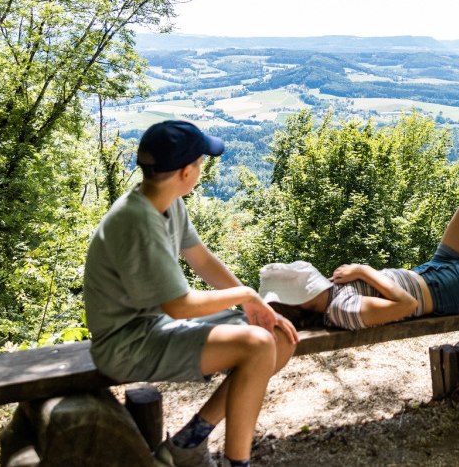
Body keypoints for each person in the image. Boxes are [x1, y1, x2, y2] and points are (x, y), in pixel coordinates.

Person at [84, 120, 299, 467]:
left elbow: (202, 260)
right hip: (126, 344)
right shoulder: (137, 221)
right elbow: (179, 307)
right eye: (200, 163)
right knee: (257, 345)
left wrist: (253, 304)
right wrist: (245, 294)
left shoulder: (167, 202)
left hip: (155, 327)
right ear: (185, 172)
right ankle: (237, 463)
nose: (201, 169)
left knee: (277, 335)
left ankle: (189, 441)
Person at [257, 181, 459, 330]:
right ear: (299, 302)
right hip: (454, 292)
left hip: (433, 270)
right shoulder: (342, 309)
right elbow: (407, 306)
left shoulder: (331, 291)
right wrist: (365, 271)